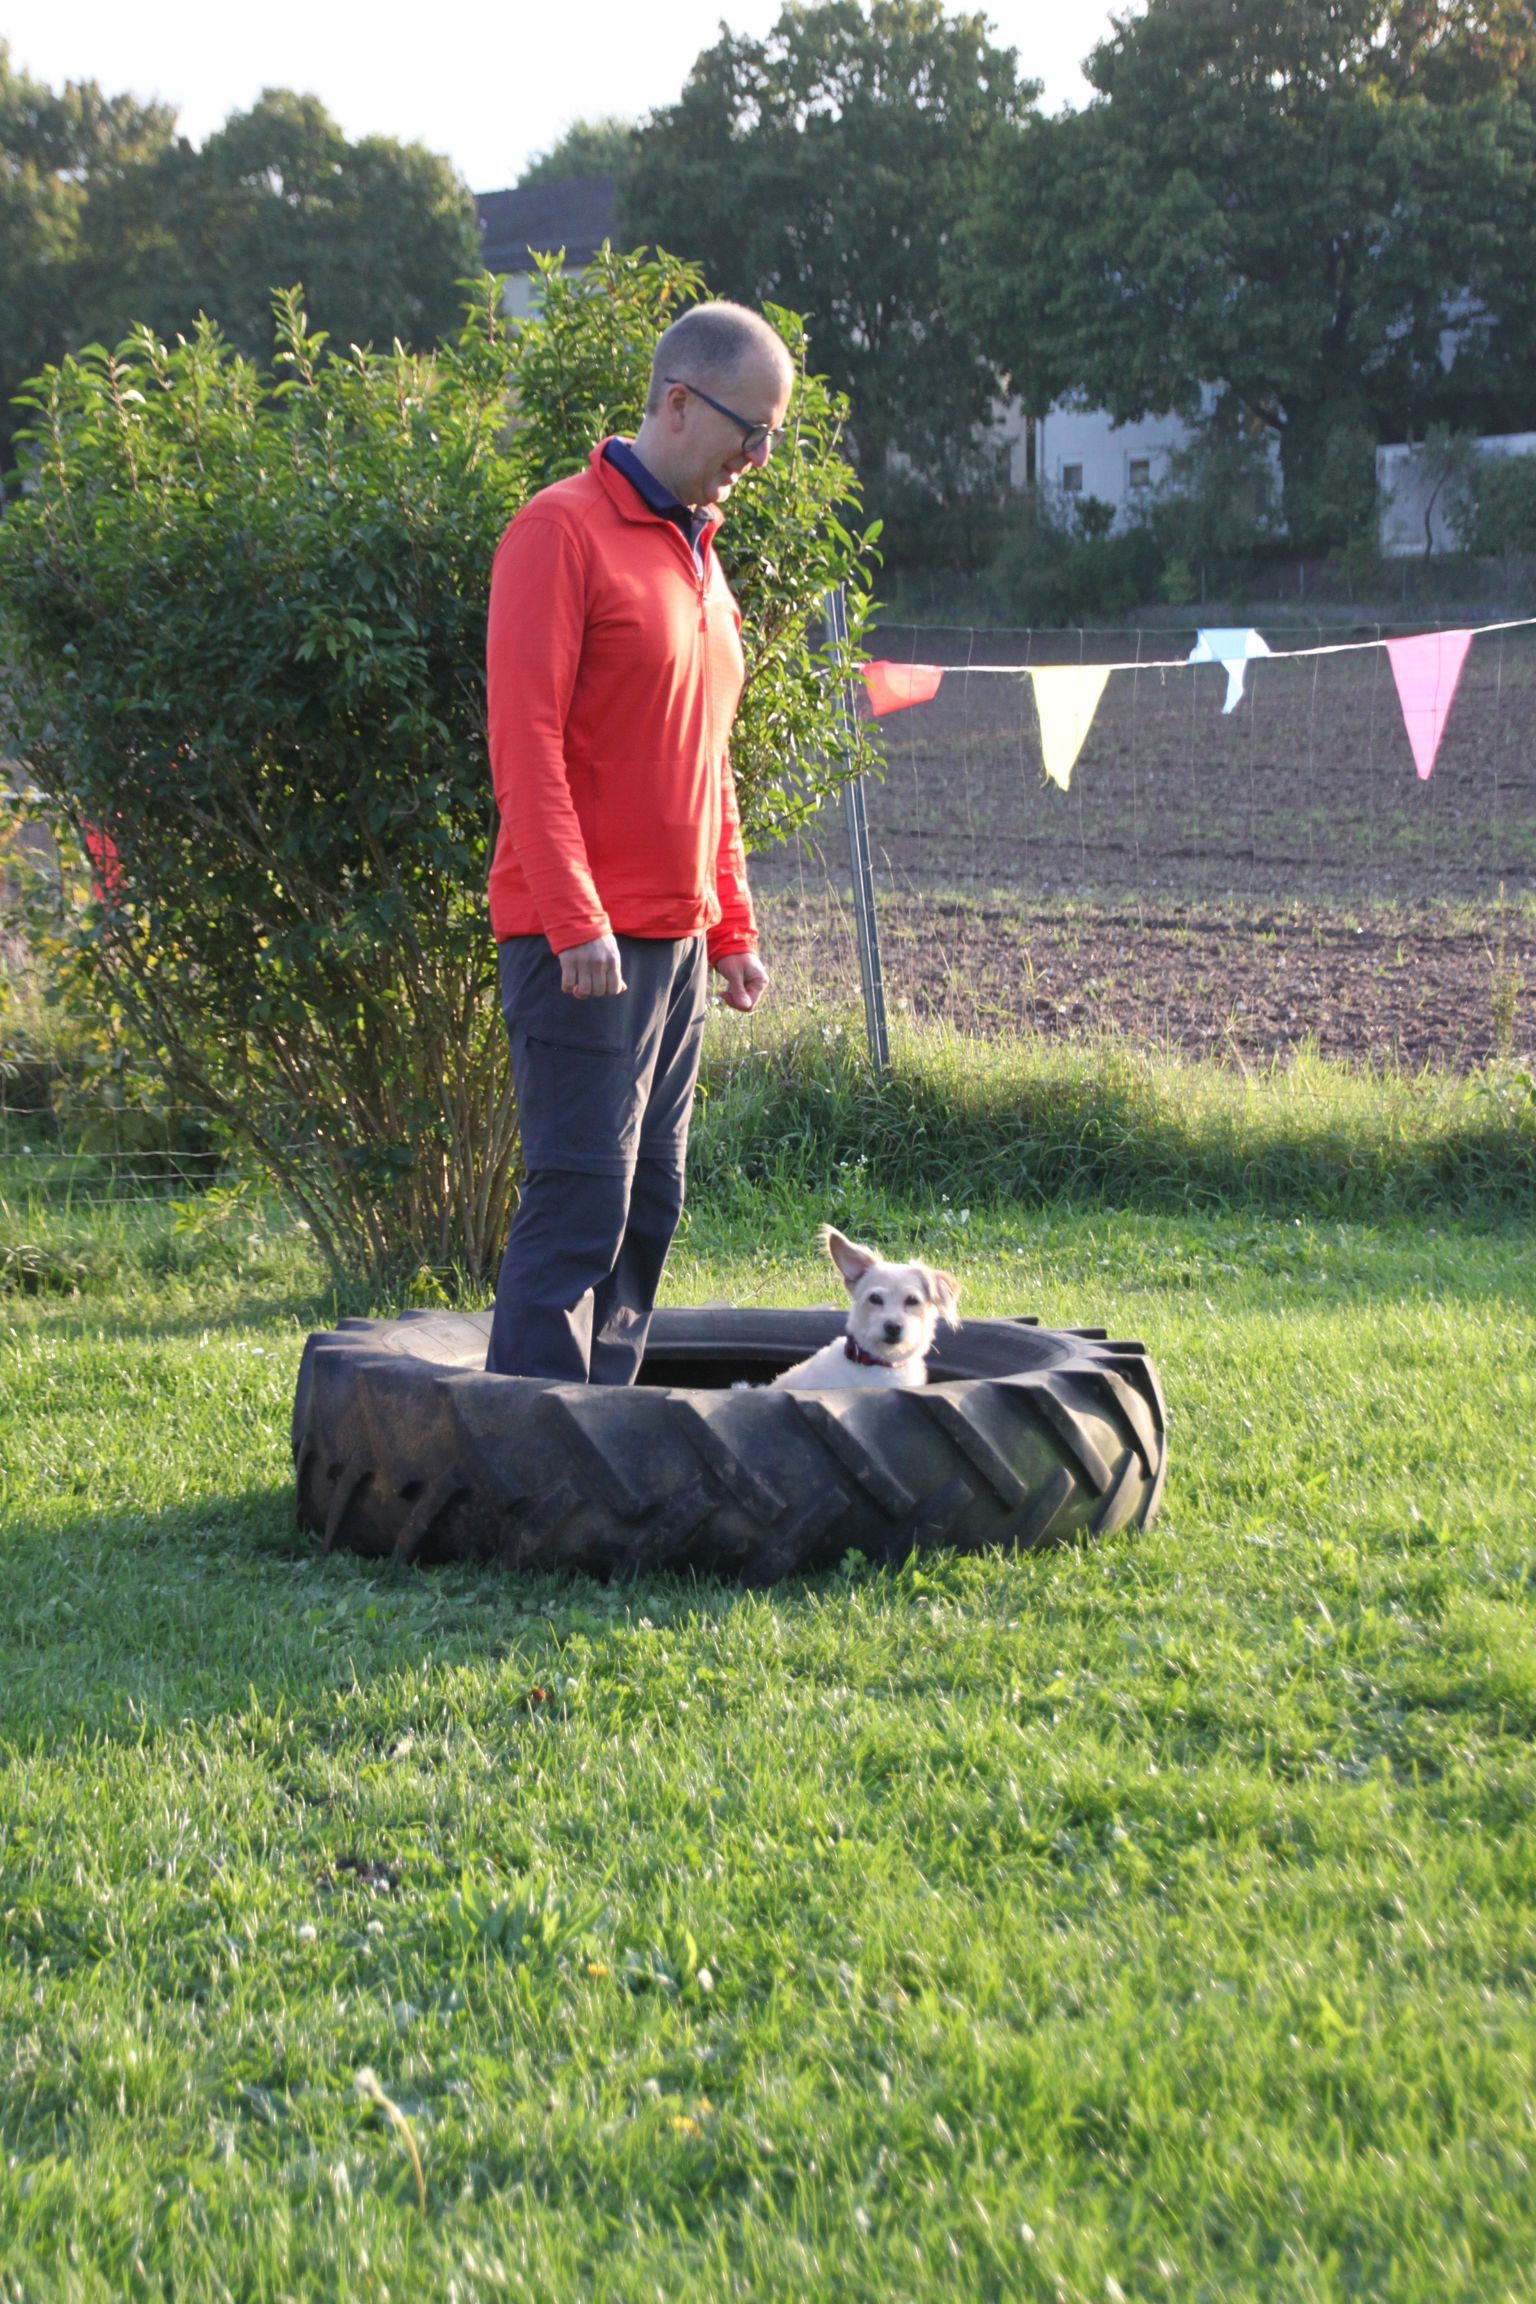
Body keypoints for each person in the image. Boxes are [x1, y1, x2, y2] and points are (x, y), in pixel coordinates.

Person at [483, 301, 793, 1380]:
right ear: (679, 403)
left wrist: (732, 926)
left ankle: (605, 1439)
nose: (760, 458)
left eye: (773, 437)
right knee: (581, 1205)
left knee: (648, 1206)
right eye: (751, 431)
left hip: (678, 944)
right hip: (581, 947)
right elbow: (524, 742)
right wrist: (574, 919)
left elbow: (708, 761)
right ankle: (526, 1455)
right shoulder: (559, 532)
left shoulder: (701, 559)